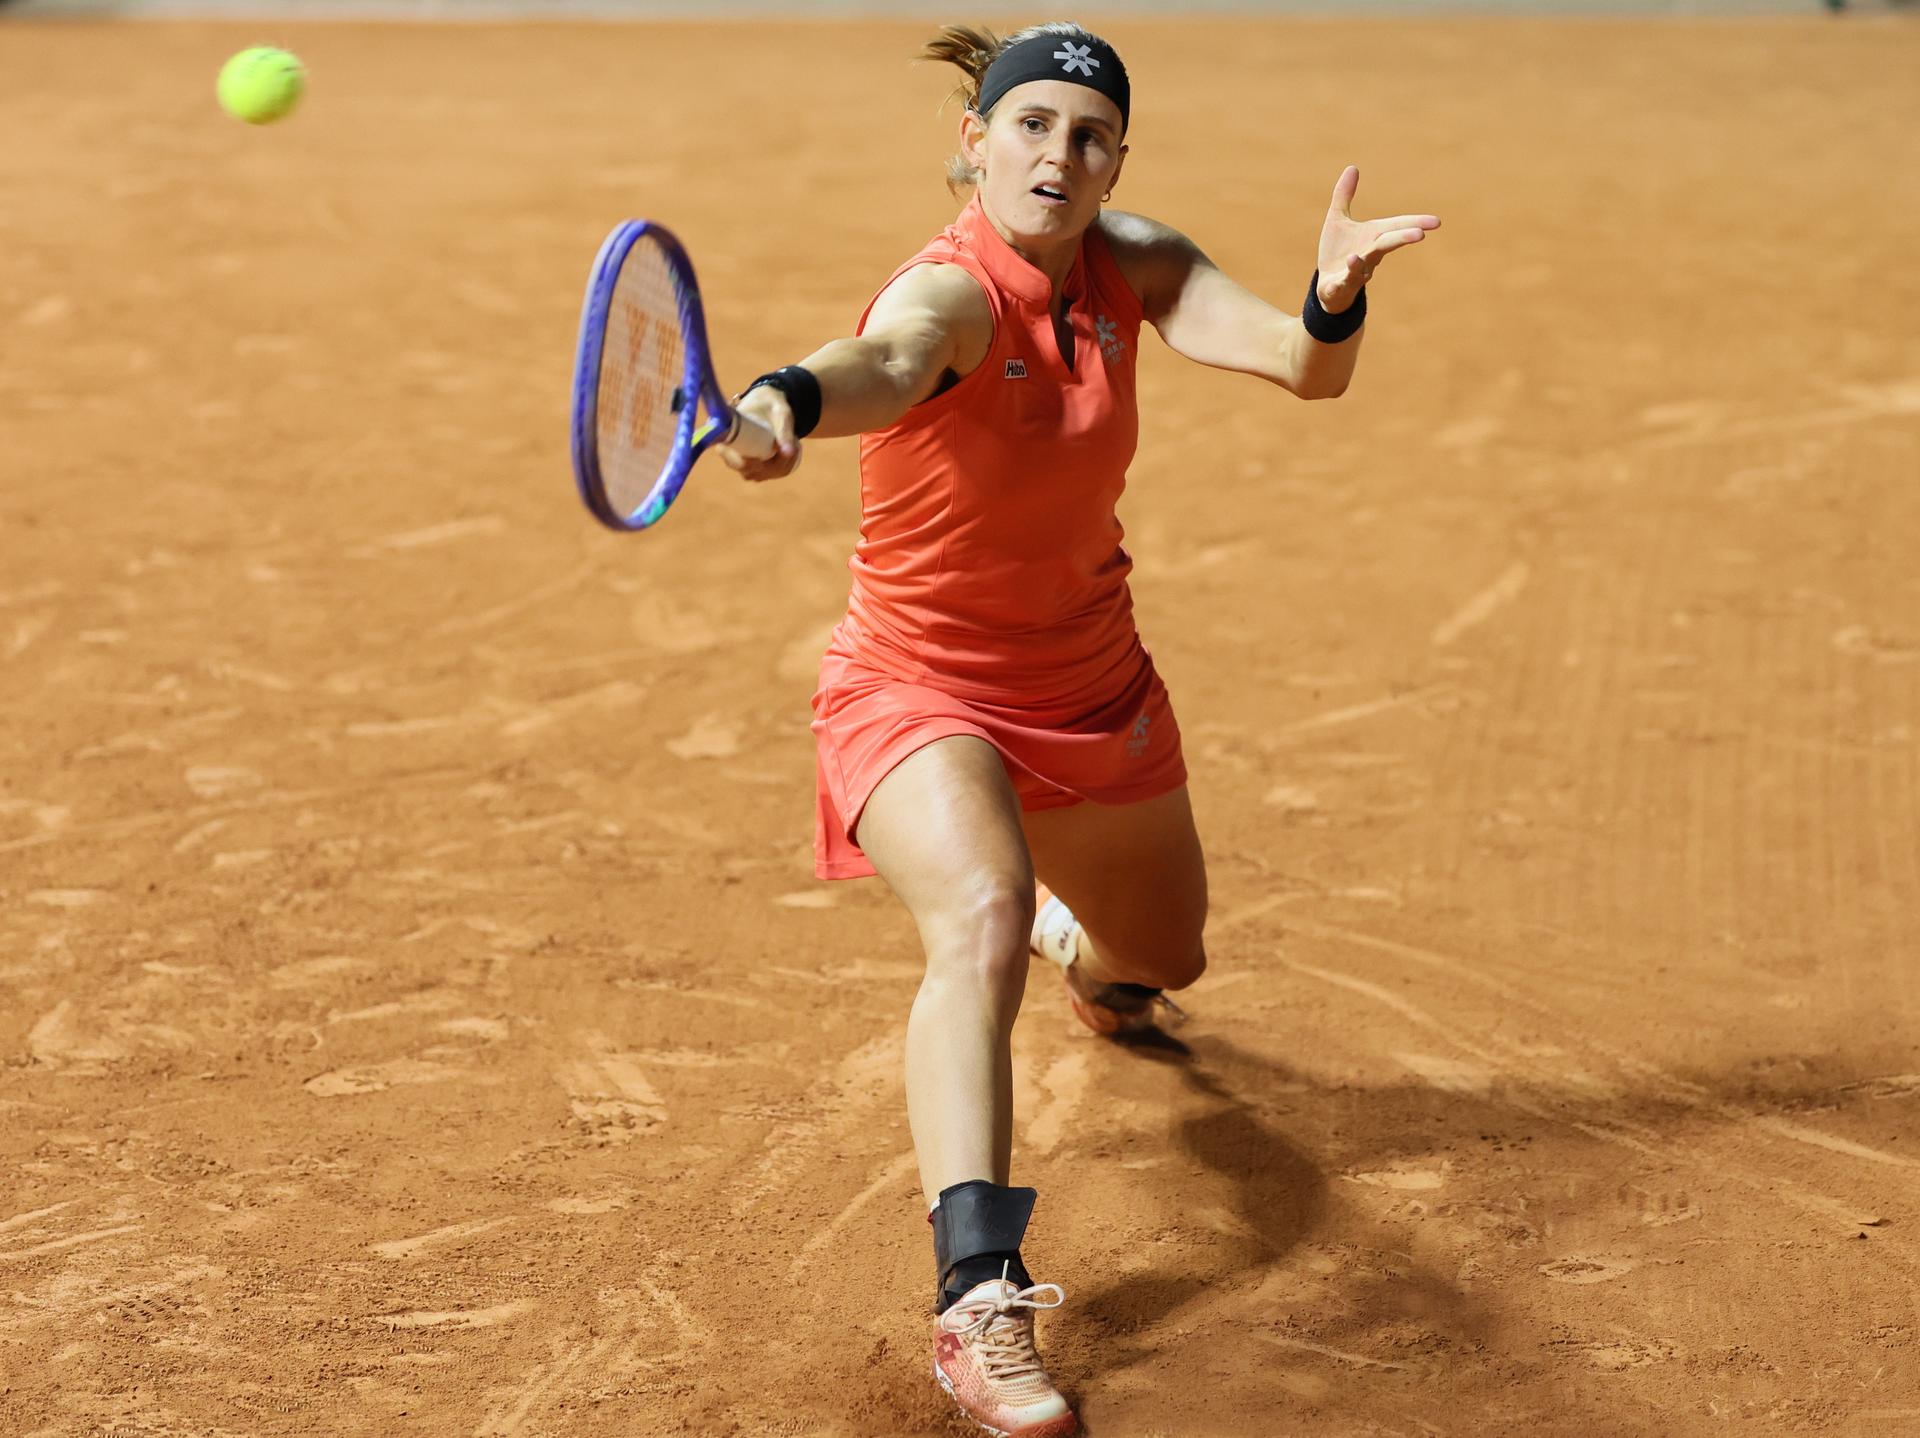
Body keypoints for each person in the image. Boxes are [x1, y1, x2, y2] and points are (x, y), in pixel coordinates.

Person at [717, 21, 1439, 1436]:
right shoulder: (955, 294)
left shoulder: (1137, 264)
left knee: (1163, 958)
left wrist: (1335, 294)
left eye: (1090, 133)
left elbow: (1306, 367)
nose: (1061, 153)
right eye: (1032, 124)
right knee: (976, 912)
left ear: (1116, 160)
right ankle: (978, 1297)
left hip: (1095, 692)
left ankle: (1083, 957)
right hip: (919, 688)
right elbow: (883, 358)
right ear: (973, 142)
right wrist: (786, 399)